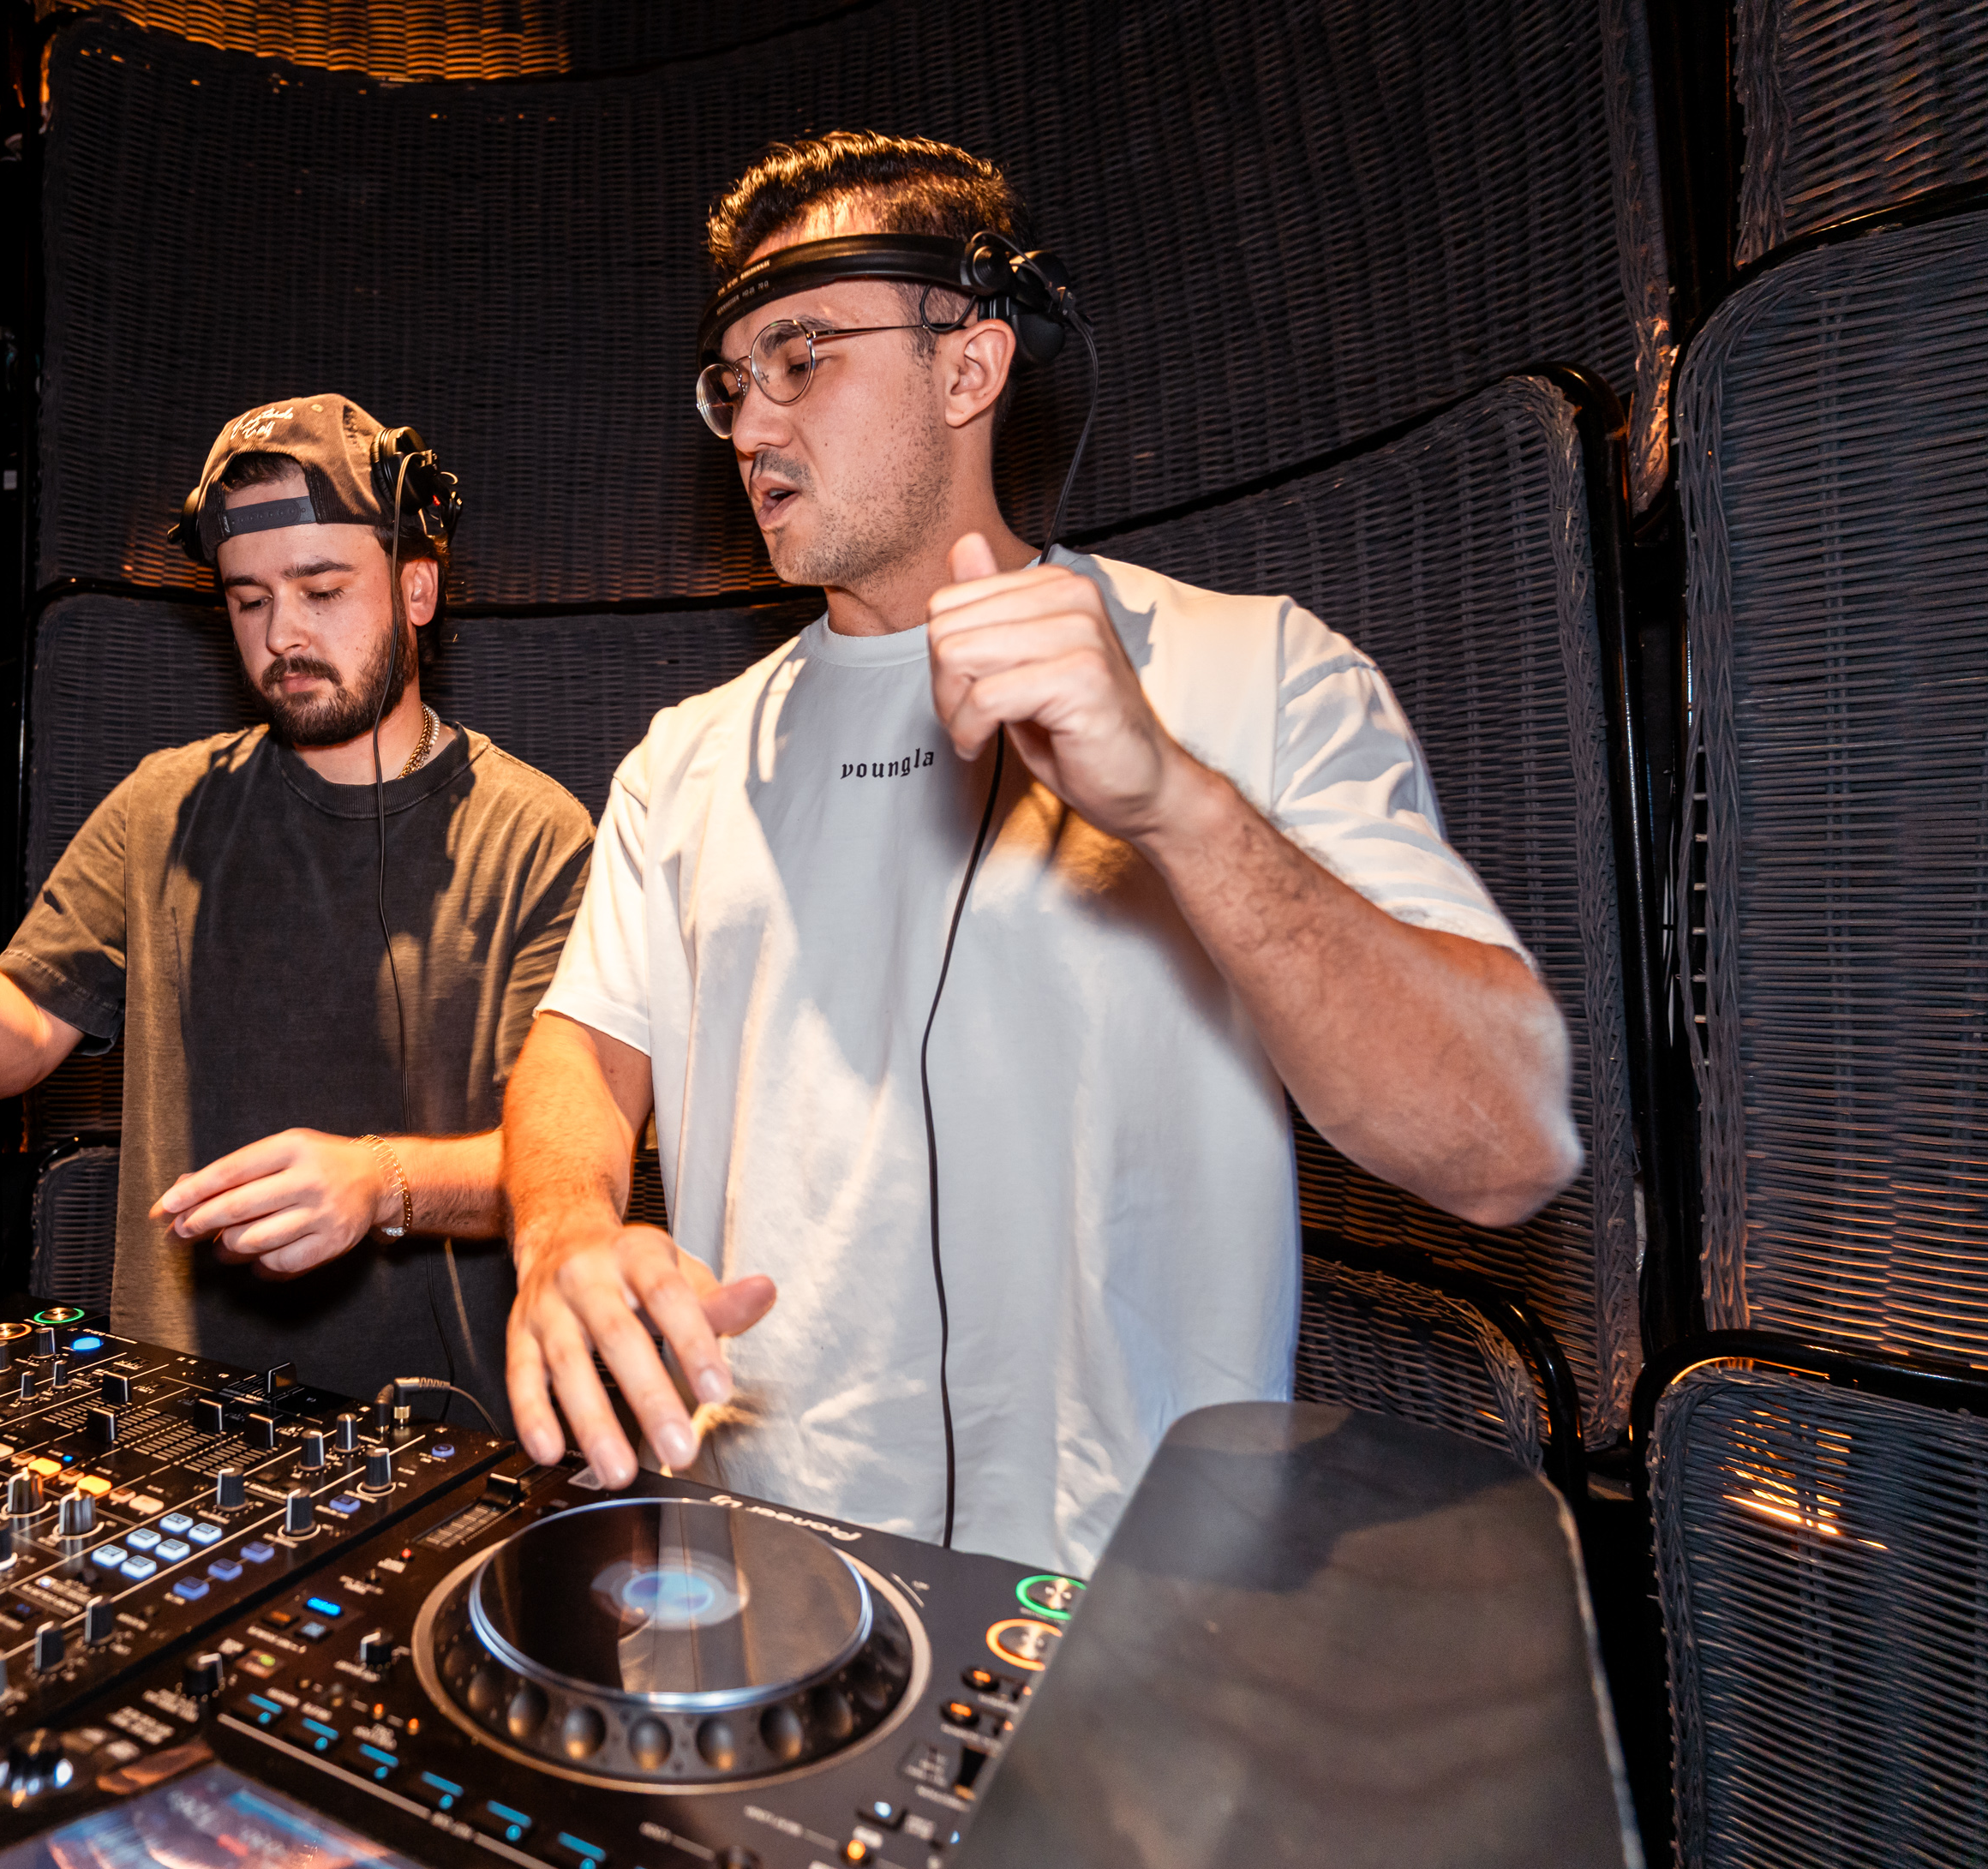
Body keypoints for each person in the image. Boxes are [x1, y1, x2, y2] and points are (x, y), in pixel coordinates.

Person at [500, 134, 1580, 1575]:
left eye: (803, 357)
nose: (752, 425)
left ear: (970, 369)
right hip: (762, 1590)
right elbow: (583, 1045)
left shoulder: (1254, 676)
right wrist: (565, 1232)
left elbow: (1504, 1149)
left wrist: (1177, 807)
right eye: (732, 381)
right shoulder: (687, 758)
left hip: (1140, 1619)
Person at [0, 395, 594, 1417]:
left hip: (444, 1438)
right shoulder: (164, 804)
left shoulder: (538, 836)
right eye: (248, 601)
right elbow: (9, 1046)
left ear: (417, 587)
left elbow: (570, 1160)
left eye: (321, 589)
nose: (282, 634)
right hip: (183, 1418)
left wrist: (383, 1182)